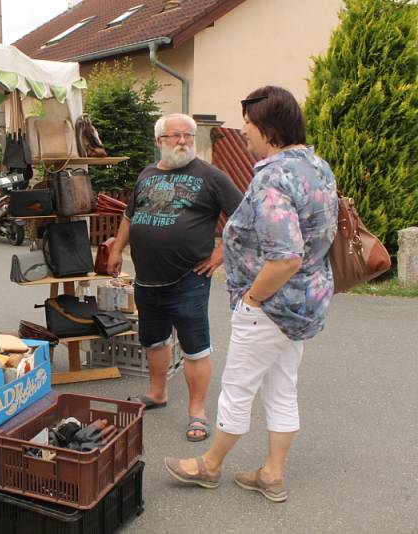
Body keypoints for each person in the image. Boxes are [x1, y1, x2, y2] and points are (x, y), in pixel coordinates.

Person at [163, 86, 338, 502]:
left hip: (273, 305)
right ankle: (272, 474)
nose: (243, 132)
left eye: (248, 124)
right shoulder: (316, 166)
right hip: (306, 304)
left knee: (239, 386)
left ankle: (208, 466)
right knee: (282, 386)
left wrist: (253, 300)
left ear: (269, 129)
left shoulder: (274, 178)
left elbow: (285, 257)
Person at [107, 113, 242, 442]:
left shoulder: (211, 176)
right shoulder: (147, 175)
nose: (183, 141)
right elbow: (130, 216)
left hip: (188, 278)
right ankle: (157, 393)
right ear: (160, 142)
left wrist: (221, 253)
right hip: (146, 278)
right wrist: (116, 249)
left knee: (195, 346)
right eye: (175, 136)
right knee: (153, 339)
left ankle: (197, 412)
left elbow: (245, 216)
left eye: (188, 135)